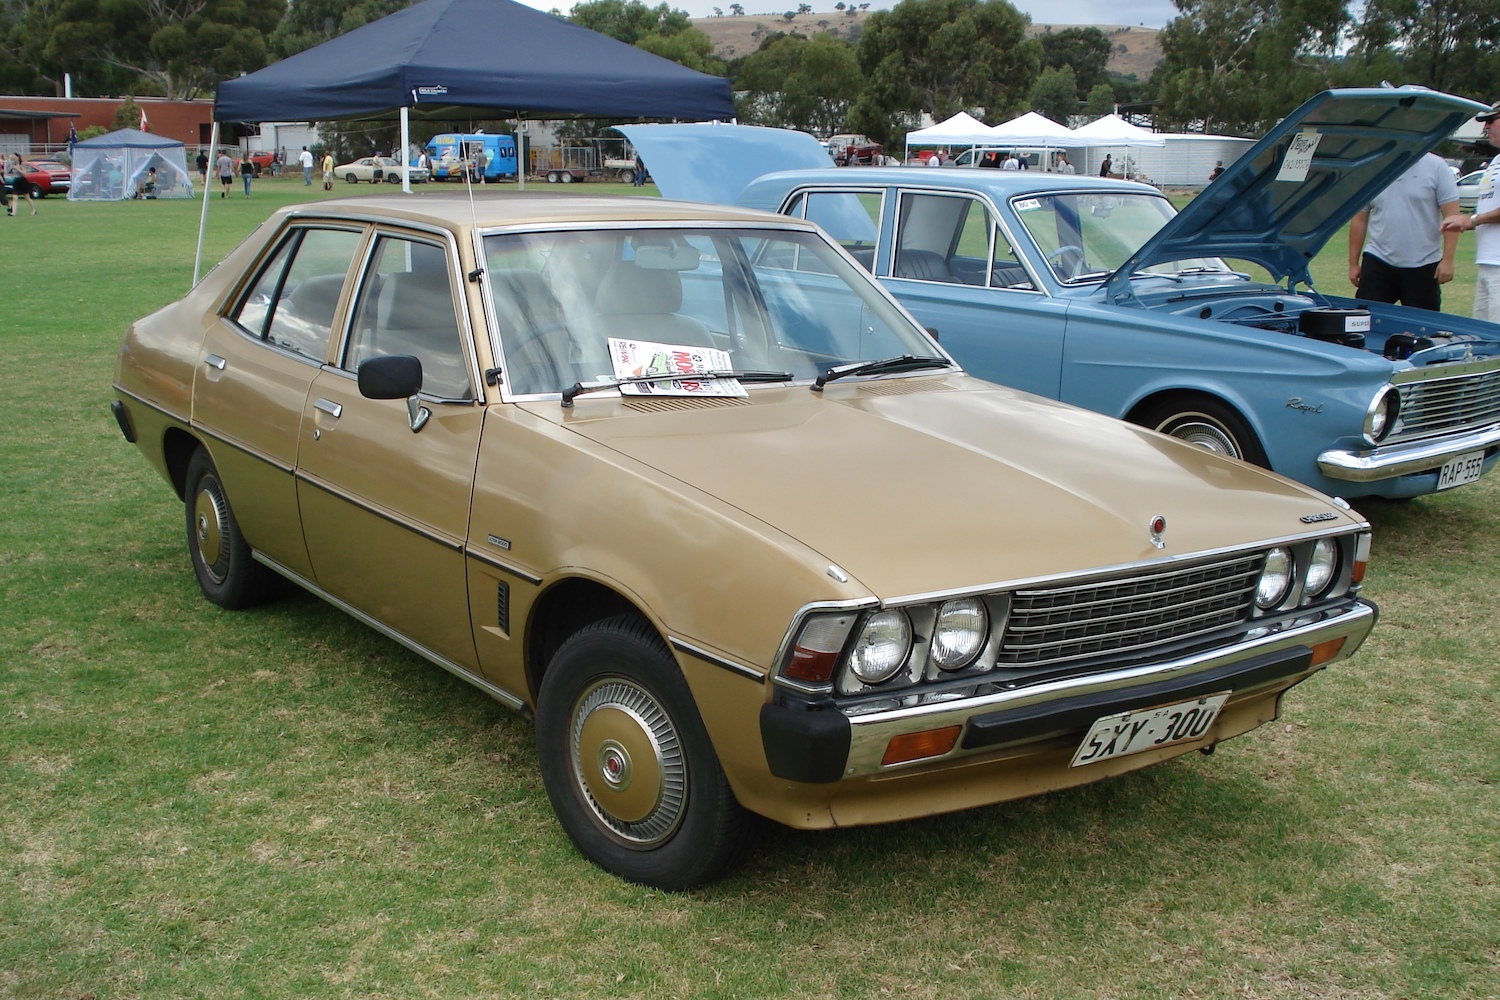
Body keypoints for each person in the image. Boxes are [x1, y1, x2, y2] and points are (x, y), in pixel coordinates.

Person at [1348, 152, 1459, 311]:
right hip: (1378, 259)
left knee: (1422, 323)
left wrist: (1448, 260)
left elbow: (1452, 218)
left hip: (1424, 263)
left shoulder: (1436, 167)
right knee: (1367, 319)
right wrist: (1353, 263)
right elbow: (1359, 219)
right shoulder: (1373, 166)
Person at [1442, 101, 1500, 321]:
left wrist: (1472, 220)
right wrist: (1463, 220)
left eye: (1491, 121)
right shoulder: (1496, 160)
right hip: (1488, 262)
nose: (1486, 127)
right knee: (1483, 333)